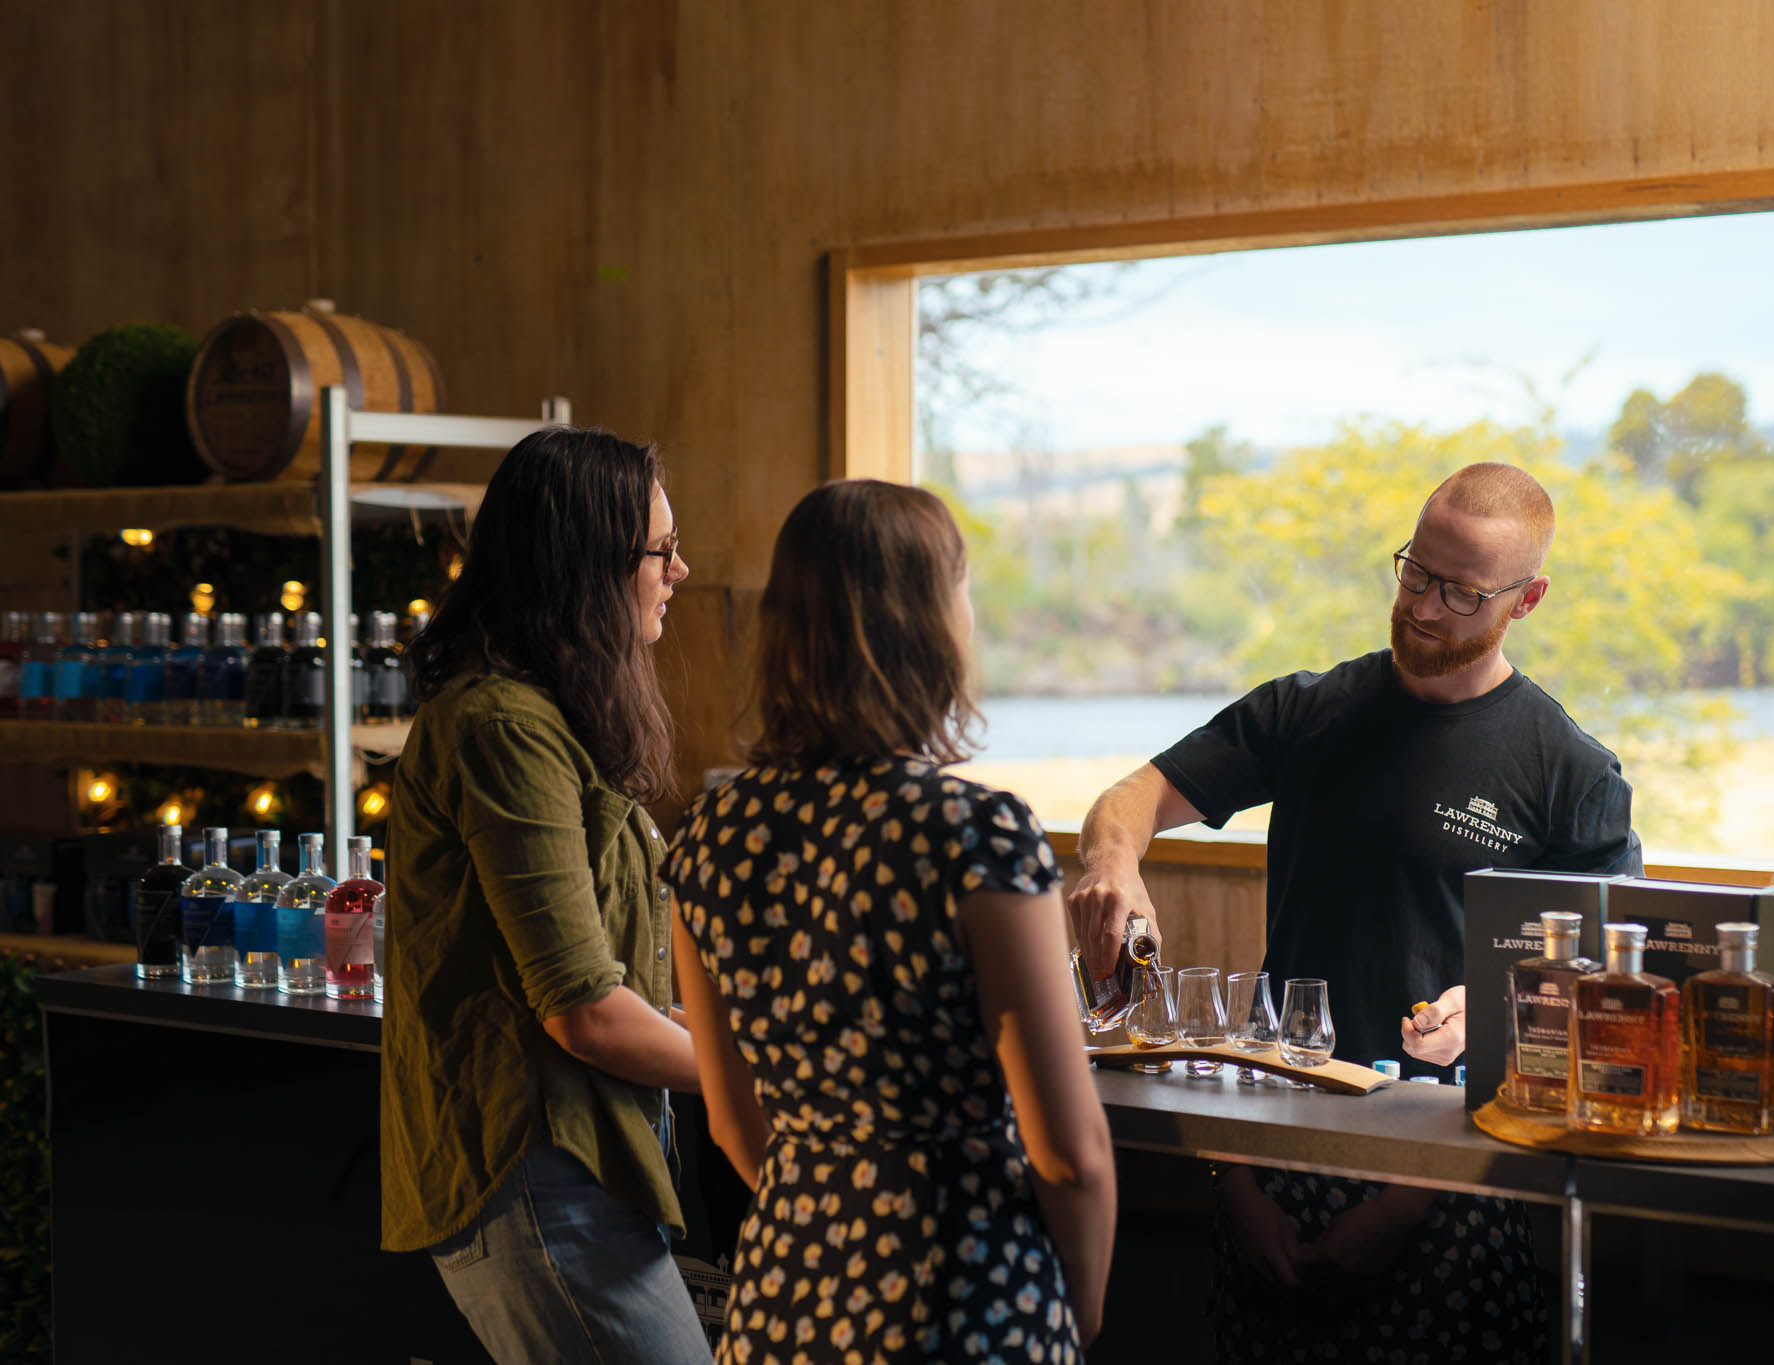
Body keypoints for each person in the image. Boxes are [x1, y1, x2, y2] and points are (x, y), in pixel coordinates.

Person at [1071, 461, 1642, 1364]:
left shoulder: (1570, 774)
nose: (1422, 606)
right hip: (1267, 1155)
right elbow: (1131, 796)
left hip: (1455, 1173)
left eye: (1461, 593)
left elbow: (1602, 980)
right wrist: (1110, 863)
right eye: (1416, 570)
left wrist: (1492, 1006)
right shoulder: (1308, 713)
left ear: (1526, 600)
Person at [662, 478, 1116, 1364]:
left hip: (783, 1297)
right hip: (962, 1292)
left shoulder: (712, 832)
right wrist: (1078, 1303)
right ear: (931, 624)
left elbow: (732, 1124)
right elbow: (1072, 1150)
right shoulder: (975, 834)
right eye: (962, 588)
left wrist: (832, 1203)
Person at [380, 426, 712, 1365]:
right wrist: (768, 1075)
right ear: (585, 561)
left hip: (578, 1166)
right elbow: (588, 1014)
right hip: (532, 1174)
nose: (680, 570)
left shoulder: (545, 718)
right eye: (660, 549)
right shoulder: (503, 728)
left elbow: (616, 992)